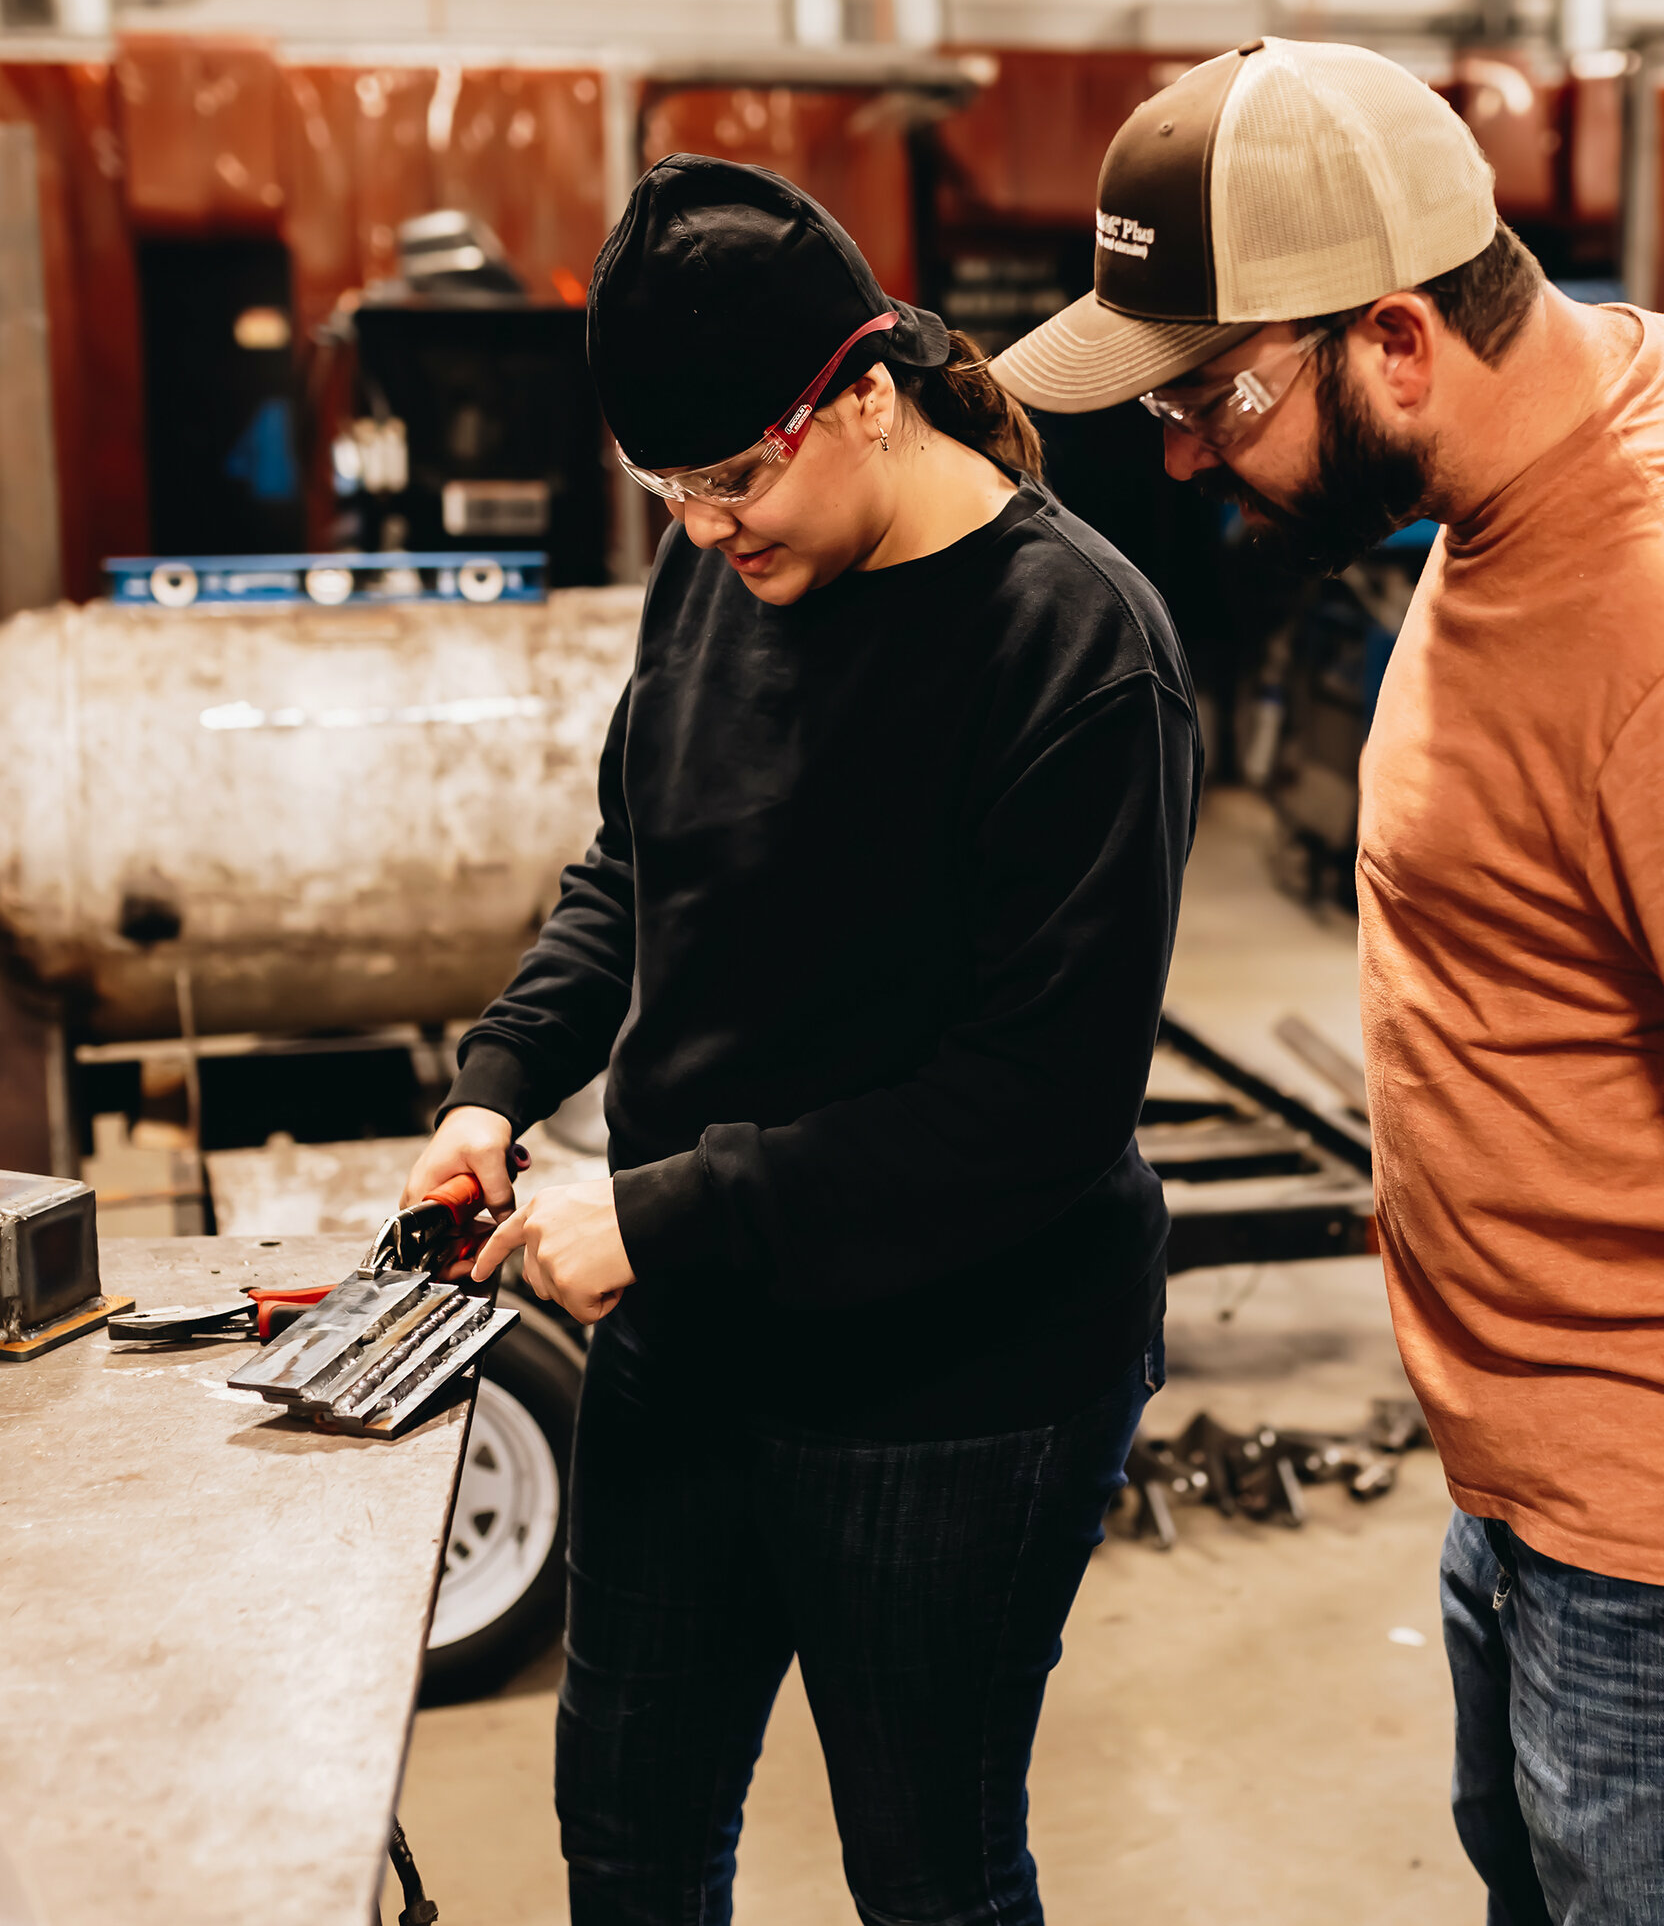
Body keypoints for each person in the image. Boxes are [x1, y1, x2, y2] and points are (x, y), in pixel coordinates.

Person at [993, 36, 1664, 1925]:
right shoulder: (1600, 393)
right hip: (1538, 1510)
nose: (1184, 456)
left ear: (1395, 338)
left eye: (1214, 395)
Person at [402, 154, 1199, 1926]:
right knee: (627, 1842)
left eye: (736, 479)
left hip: (958, 1389)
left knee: (927, 1873)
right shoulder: (727, 572)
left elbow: (1033, 1108)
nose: (704, 531)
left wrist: (668, 1211)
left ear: (865, 394)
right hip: (701, 1343)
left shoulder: (1076, 652)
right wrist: (500, 1083)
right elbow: (639, 862)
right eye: (667, 492)